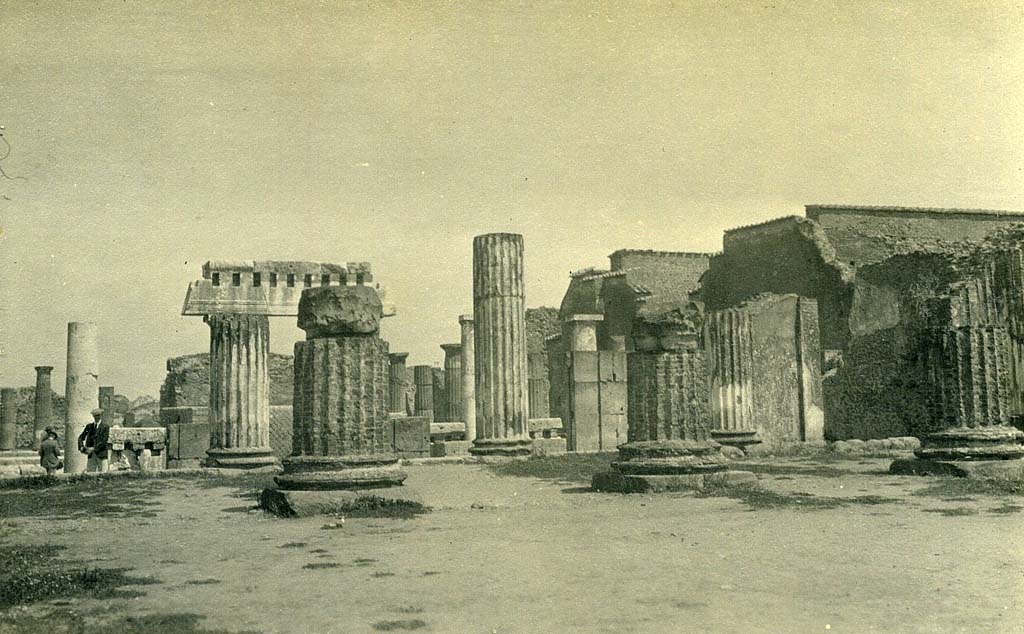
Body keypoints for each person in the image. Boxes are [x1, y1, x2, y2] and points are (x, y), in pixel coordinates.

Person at [77, 408, 110, 473]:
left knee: (103, 473)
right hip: (91, 455)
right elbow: (81, 437)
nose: (97, 417)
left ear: (101, 416)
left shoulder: (105, 427)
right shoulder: (89, 426)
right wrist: (81, 447)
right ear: (93, 416)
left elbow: (104, 441)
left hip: (101, 454)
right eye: (95, 415)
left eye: (98, 415)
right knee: (90, 473)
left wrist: (93, 448)